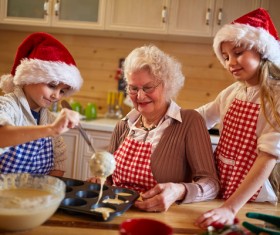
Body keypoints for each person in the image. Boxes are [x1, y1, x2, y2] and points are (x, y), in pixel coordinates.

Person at [90, 44, 219, 212]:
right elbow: (109, 179)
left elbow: (211, 184)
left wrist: (179, 190)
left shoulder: (189, 122)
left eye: (148, 87)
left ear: (167, 84)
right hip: (116, 213)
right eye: (133, 88)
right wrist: (100, 181)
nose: (140, 96)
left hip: (161, 217)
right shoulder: (123, 125)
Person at [195, 8, 280, 228]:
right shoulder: (232, 92)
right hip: (223, 188)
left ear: (262, 51)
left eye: (238, 53)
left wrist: (230, 208)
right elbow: (198, 119)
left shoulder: (276, 96)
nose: (230, 62)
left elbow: (268, 156)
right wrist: (162, 112)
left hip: (251, 198)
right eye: (226, 57)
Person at [0, 32, 83, 176]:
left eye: (63, 91)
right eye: (52, 85)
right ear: (29, 78)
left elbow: (59, 161)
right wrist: (51, 129)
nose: (56, 96)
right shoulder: (8, 106)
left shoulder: (48, 118)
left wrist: (47, 193)